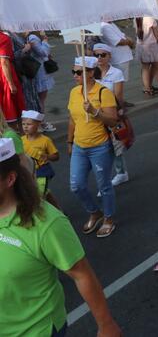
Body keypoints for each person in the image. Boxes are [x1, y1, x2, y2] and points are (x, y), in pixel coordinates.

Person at [0, 138, 121, 337]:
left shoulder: (46, 222)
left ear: (10, 179)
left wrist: (106, 325)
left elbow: (81, 274)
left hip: (35, 330)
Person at [67, 56, 119, 238]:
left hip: (100, 147)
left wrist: (95, 112)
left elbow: (113, 120)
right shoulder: (74, 92)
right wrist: (69, 141)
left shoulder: (103, 92)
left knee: (104, 186)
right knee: (76, 185)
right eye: (73, 71)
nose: (75, 75)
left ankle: (109, 218)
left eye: (78, 72)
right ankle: (94, 212)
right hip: (80, 147)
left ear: (90, 73)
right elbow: (72, 118)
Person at [92, 44, 129, 187]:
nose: (99, 58)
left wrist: (119, 110)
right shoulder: (91, 73)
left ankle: (121, 173)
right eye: (97, 55)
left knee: (115, 144)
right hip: (95, 114)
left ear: (109, 56)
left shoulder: (116, 73)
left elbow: (118, 95)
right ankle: (107, 176)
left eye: (103, 55)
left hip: (110, 113)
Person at [21, 110, 59, 207]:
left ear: (38, 125)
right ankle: (59, 211)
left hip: (42, 171)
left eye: (29, 124)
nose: (25, 126)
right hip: (28, 171)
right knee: (43, 193)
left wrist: (47, 156)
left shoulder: (45, 140)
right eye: (23, 124)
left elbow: (56, 156)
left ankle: (42, 217)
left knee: (38, 196)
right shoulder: (21, 140)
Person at [25, 33, 55, 131]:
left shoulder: (32, 36)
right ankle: (41, 123)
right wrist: (45, 42)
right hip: (39, 72)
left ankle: (39, 122)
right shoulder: (33, 37)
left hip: (38, 70)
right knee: (40, 100)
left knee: (39, 99)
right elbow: (42, 53)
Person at [134, 17, 158, 95]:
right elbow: (157, 33)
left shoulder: (136, 18)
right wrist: (157, 41)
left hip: (141, 45)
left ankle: (147, 88)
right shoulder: (150, 18)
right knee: (157, 66)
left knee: (145, 67)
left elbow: (137, 31)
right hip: (151, 44)